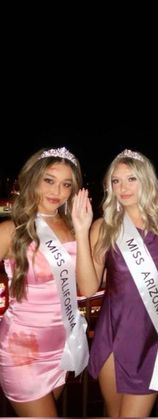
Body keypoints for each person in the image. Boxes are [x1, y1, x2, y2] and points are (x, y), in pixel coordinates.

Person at [72, 149, 158, 417]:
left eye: (131, 179)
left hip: (152, 337)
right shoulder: (105, 227)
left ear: (146, 181)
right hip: (112, 334)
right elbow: (88, 289)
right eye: (116, 180)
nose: (122, 187)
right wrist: (80, 230)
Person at [0, 147, 89, 417]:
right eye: (49, 180)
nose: (56, 192)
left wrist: (83, 231)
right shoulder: (11, 228)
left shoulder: (73, 226)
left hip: (61, 348)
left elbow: (85, 288)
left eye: (66, 185)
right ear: (33, 179)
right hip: (22, 351)